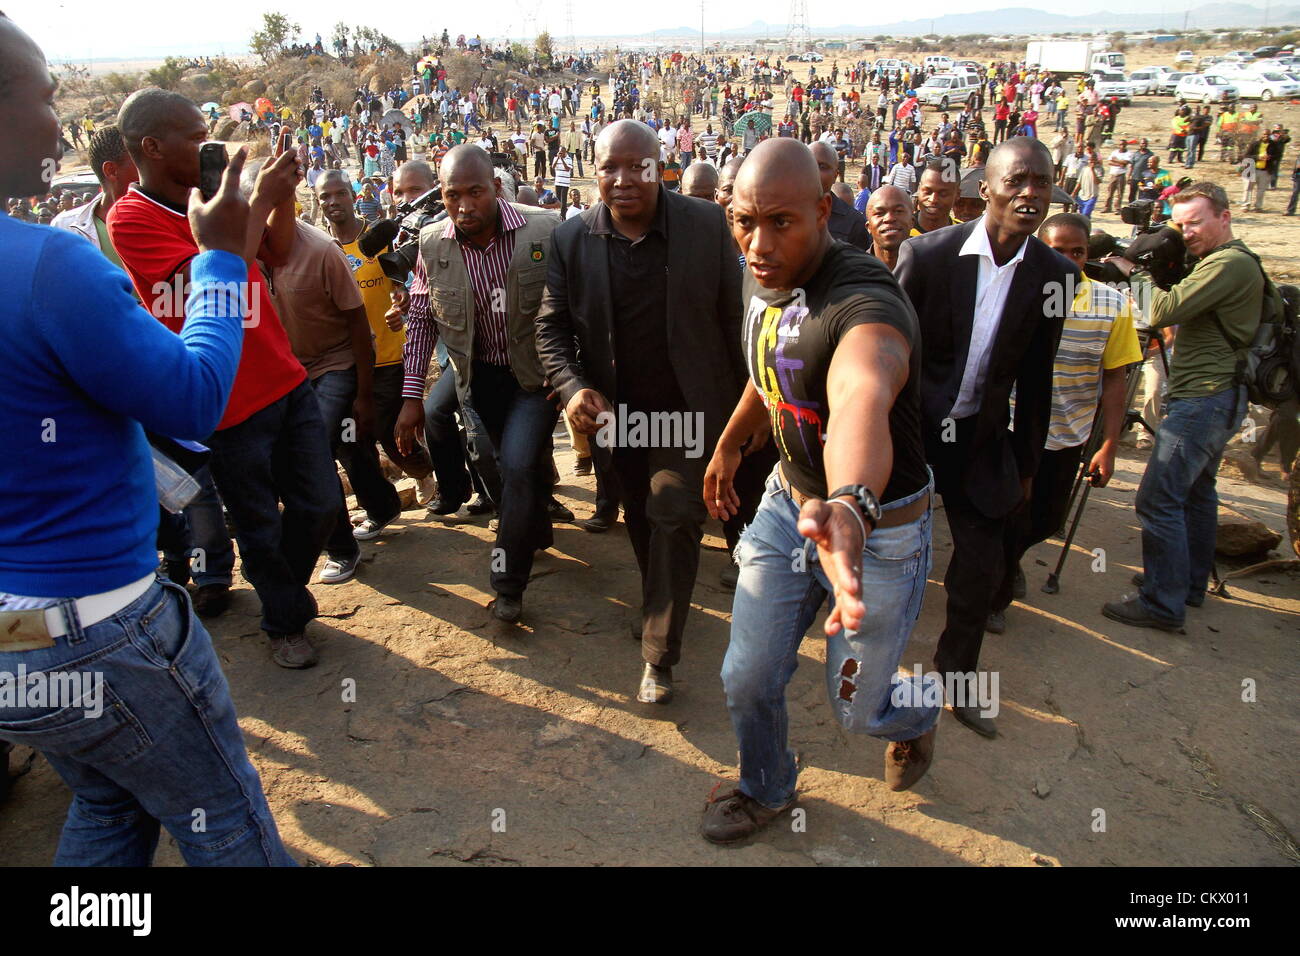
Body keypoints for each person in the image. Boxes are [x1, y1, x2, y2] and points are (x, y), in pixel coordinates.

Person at [0, 11, 293, 864]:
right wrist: (217, 257)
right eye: (47, 95)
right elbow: (194, 398)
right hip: (99, 631)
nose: (61, 122)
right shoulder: (48, 267)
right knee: (229, 824)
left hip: (13, 641)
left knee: (107, 799)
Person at [697, 137, 939, 843]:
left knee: (859, 708)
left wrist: (852, 503)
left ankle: (919, 712)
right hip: (785, 506)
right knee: (746, 675)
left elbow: (862, 386)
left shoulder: (866, 300)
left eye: (781, 222)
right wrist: (734, 440)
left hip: (878, 530)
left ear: (823, 211)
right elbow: (775, 361)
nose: (759, 242)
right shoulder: (762, 271)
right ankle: (767, 785)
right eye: (744, 220)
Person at [110, 88, 339, 670]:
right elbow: (220, 270)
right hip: (226, 403)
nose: (209, 143)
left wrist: (281, 196)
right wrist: (257, 199)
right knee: (259, 525)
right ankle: (285, 619)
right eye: (194, 135)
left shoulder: (219, 196)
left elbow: (279, 250)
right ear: (153, 147)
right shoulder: (131, 219)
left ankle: (285, 592)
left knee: (318, 505)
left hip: (285, 380)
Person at [536, 120, 745, 704]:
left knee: (673, 511)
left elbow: (733, 320)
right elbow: (549, 329)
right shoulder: (571, 238)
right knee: (639, 515)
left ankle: (659, 656)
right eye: (610, 167)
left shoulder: (706, 225)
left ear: (662, 166)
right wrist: (573, 387)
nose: (624, 179)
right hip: (616, 418)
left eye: (638, 165)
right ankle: (663, 602)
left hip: (690, 411)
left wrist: (742, 418)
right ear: (593, 170)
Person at [894, 137, 1073, 738]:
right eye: (1018, 181)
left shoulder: (1055, 275)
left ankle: (958, 678)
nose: (1030, 193)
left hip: (981, 437)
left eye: (1041, 183)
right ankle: (867, 672)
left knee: (981, 565)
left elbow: (1038, 378)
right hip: (914, 431)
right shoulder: (928, 257)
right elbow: (884, 352)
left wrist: (1026, 466)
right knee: (884, 554)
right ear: (986, 189)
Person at [397, 146, 561, 623]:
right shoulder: (433, 244)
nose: (465, 206)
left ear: (495, 187)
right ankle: (535, 526)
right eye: (453, 195)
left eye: (475, 192)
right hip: (478, 378)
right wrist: (412, 395)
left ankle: (508, 585)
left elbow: (573, 306)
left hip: (534, 378)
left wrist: (570, 377)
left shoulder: (543, 231)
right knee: (496, 462)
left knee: (516, 463)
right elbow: (424, 319)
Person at [1101, 183, 1268, 630]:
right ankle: (1185, 584)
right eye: (1181, 224)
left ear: (1225, 217)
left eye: (1196, 222)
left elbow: (1160, 311)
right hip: (1215, 396)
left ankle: (1162, 603)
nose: (1187, 233)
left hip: (1205, 398)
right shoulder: (1219, 263)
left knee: (1157, 498)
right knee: (1196, 493)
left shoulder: (1229, 263)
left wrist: (1135, 266)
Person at [988, 213, 1143, 631]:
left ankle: (1010, 559)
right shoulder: (1015, 293)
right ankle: (994, 594)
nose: (1070, 261)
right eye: (1058, 251)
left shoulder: (1110, 305)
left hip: (1067, 434)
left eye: (1078, 252)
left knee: (1047, 519)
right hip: (1011, 429)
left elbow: (1115, 377)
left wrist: (1108, 444)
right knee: (1005, 511)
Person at [811, 141, 868, 250]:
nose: (815, 172)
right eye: (810, 164)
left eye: (822, 166)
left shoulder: (854, 222)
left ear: (835, 175)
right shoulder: (783, 212)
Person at [864, 185, 913, 271]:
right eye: (879, 213)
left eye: (898, 211)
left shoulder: (931, 269)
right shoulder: (855, 273)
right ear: (868, 227)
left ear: (912, 222)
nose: (889, 218)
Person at [913, 156, 959, 234]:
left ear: (957, 194)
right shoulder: (900, 233)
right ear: (919, 189)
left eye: (943, 194)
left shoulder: (965, 235)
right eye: (927, 192)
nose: (933, 199)